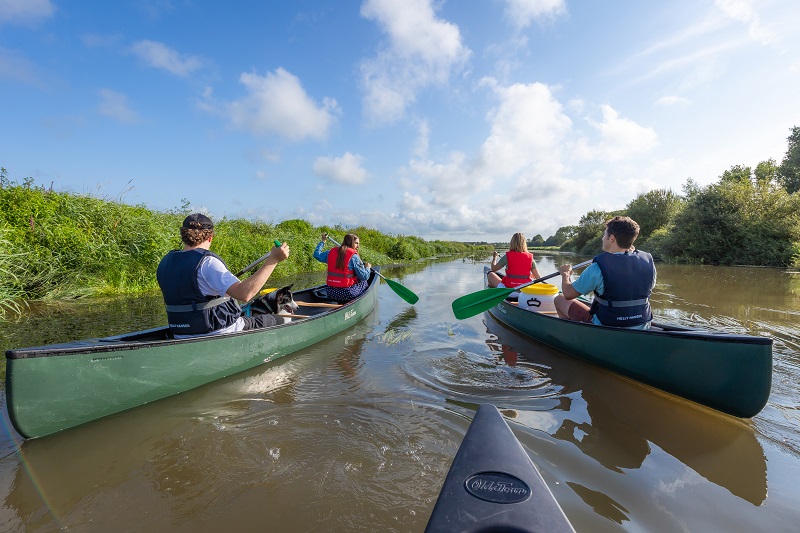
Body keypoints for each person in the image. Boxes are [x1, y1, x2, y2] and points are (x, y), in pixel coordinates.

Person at [156, 213, 290, 338]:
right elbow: (245, 294)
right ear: (210, 237)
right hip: (217, 331)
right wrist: (273, 260)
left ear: (183, 235)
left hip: (179, 333)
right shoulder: (208, 263)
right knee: (277, 319)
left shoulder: (165, 262)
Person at [554, 216, 656, 329]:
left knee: (559, 299)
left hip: (607, 324)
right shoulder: (648, 262)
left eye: (604, 235)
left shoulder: (597, 267)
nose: (603, 238)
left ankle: (570, 334)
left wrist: (565, 275)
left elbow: (568, 294)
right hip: (643, 324)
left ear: (611, 238)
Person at [313, 232, 372, 302]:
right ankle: (360, 303)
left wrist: (323, 241)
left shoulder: (331, 252)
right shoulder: (354, 257)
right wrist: (367, 268)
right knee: (364, 281)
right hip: (347, 293)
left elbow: (317, 255)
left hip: (331, 292)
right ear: (350, 243)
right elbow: (364, 276)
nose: (358, 246)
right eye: (356, 243)